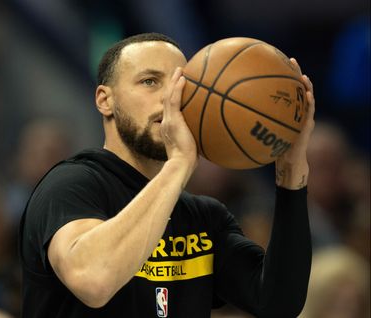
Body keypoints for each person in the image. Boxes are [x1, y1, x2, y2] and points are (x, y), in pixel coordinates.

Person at [19, 32, 315, 318]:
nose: (170, 98)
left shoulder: (203, 218)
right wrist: (179, 163)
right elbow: (94, 281)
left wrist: (291, 170)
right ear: (105, 100)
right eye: (150, 81)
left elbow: (278, 303)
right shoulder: (71, 185)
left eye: (181, 84)